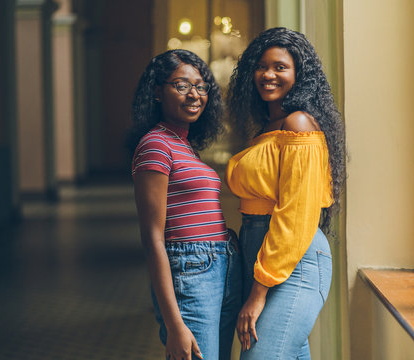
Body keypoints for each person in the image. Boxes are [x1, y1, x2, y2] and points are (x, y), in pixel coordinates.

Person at [225, 27, 346, 359]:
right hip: (261, 250)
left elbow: (296, 213)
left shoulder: (299, 125)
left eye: (280, 67)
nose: (268, 74)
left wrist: (258, 292)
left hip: (295, 258)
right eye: (261, 66)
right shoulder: (266, 128)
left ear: (299, 75)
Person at [129, 49, 241, 360]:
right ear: (156, 92)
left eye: (201, 86)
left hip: (221, 264)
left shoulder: (184, 145)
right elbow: (153, 239)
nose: (194, 94)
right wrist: (174, 322)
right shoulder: (155, 145)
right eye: (181, 85)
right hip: (191, 270)